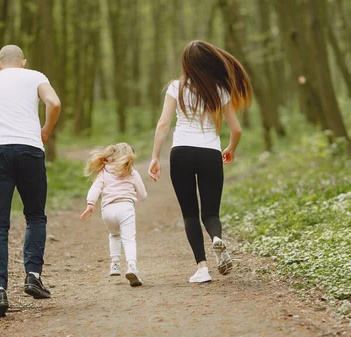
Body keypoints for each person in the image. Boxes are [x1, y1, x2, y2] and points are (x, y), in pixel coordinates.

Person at [0, 45, 61, 317]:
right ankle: (32, 276)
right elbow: (54, 103)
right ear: (23, 62)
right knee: (35, 217)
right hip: (30, 149)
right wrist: (44, 131)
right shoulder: (35, 76)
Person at [148, 40, 252, 284]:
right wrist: (230, 149)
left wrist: (155, 156)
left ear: (186, 63)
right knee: (211, 213)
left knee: (190, 215)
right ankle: (216, 238)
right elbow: (236, 129)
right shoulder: (219, 90)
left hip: (181, 153)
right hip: (209, 154)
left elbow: (163, 124)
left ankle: (202, 268)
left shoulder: (176, 87)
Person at [80, 143, 147, 287]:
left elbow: (95, 187)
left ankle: (115, 264)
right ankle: (132, 267)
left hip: (108, 211)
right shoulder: (133, 173)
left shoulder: (104, 171)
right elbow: (142, 195)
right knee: (129, 240)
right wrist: (139, 196)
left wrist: (90, 203)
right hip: (126, 208)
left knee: (114, 235)